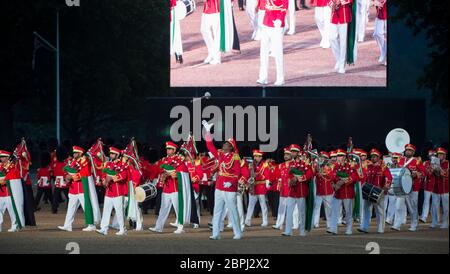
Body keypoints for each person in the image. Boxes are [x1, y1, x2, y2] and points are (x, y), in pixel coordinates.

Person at [203, 120, 242, 240]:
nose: (224, 144)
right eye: (225, 143)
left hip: (230, 187)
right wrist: (208, 131)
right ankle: (216, 233)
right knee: (217, 210)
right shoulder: (220, 155)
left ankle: (238, 233)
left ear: (231, 147)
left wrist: (231, 182)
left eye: (227, 143)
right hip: (219, 186)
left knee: (233, 210)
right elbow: (210, 145)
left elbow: (237, 172)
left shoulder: (235, 157)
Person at [58, 146, 98, 232]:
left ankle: (91, 224)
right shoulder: (73, 161)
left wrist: (71, 176)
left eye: (76, 153)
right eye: (74, 153)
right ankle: (67, 225)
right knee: (70, 207)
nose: (74, 154)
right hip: (74, 188)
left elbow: (84, 173)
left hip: (82, 188)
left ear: (80, 153)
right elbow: (68, 171)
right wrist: (67, 177)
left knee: (86, 207)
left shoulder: (85, 161)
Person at [149, 141, 184, 233]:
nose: (167, 151)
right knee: (163, 208)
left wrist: (168, 173)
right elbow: (160, 170)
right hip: (166, 188)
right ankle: (158, 227)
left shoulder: (179, 159)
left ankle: (180, 227)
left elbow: (178, 172)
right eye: (167, 149)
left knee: (178, 208)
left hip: (175, 187)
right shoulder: (164, 160)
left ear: (174, 150)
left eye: (169, 149)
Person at [358, 149, 392, 234]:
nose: (373, 158)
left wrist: (386, 187)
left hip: (379, 191)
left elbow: (389, 178)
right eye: (372, 156)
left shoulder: (383, 167)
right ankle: (365, 227)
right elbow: (363, 177)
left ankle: (380, 228)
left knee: (380, 211)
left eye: (375, 156)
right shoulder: (367, 166)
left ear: (378, 157)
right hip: (368, 191)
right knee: (366, 210)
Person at [96, 147, 127, 236]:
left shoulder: (122, 164)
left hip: (118, 192)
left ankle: (122, 229)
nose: (111, 155)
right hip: (109, 191)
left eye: (113, 154)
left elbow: (123, 176)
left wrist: (111, 178)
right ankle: (104, 228)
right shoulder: (108, 164)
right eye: (110, 153)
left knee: (119, 212)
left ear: (117, 155)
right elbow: (103, 174)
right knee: (106, 211)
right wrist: (104, 181)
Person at [282, 151, 314, 236]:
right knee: (289, 211)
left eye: (294, 152)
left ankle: (302, 230)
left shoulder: (305, 164)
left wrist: (298, 178)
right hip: (292, 191)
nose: (292, 153)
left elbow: (309, 175)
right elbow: (289, 175)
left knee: (302, 213)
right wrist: (291, 179)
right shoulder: (291, 164)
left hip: (301, 191)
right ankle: (288, 231)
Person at [257, 0, 289, 86]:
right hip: (266, 21)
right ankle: (263, 76)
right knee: (263, 51)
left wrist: (280, 19)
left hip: (277, 23)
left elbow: (285, 6)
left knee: (278, 52)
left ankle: (280, 77)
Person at [328, 149, 359, 235]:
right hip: (338, 193)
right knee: (334, 210)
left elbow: (355, 177)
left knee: (348, 212)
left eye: (341, 156)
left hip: (347, 192)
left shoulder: (350, 166)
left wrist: (342, 182)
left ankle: (349, 229)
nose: (338, 158)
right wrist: (334, 185)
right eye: (338, 156)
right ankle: (333, 228)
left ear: (345, 157)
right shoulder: (335, 167)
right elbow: (332, 177)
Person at [245, 150, 270, 227]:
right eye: (254, 156)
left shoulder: (265, 165)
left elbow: (267, 176)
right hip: (253, 187)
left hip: (261, 186)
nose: (255, 158)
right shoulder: (251, 164)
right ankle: (247, 221)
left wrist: (257, 176)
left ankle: (265, 221)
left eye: (257, 156)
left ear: (260, 157)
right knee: (250, 204)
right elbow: (247, 174)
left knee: (263, 205)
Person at [329, 0, 353, 74]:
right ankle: (339, 59)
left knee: (343, 42)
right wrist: (332, 3)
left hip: (344, 14)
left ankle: (342, 65)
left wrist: (340, 1)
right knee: (332, 38)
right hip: (334, 15)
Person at [0, 150, 21, 232]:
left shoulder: (12, 167)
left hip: (9, 193)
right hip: (0, 193)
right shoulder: (1, 167)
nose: (1, 158)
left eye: (3, 157)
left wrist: (2, 181)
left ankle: (15, 226)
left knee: (12, 211)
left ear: (8, 157)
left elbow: (11, 179)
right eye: (1, 157)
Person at [312, 151, 334, 229]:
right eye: (321, 157)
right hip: (319, 191)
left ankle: (329, 224)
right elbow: (313, 173)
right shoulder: (317, 166)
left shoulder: (330, 167)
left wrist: (325, 174)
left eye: (324, 158)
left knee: (328, 208)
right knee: (316, 207)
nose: (322, 159)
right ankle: (315, 223)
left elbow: (332, 176)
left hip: (328, 191)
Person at [431, 147, 448, 229]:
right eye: (438, 154)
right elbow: (430, 175)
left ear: (445, 155)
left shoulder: (447, 163)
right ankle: (434, 222)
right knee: (434, 206)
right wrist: (433, 169)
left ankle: (445, 222)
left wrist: (439, 169)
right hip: (436, 188)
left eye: (441, 154)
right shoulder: (434, 163)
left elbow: (445, 174)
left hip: (445, 188)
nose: (439, 156)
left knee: (445, 207)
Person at [421, 149, 437, 223]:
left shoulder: (438, 163)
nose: (432, 157)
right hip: (427, 185)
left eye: (433, 155)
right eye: (430, 155)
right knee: (426, 201)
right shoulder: (425, 163)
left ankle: (435, 218)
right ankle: (424, 217)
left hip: (436, 186)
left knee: (434, 203)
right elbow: (425, 173)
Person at [373, 0, 387, 65]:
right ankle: (384, 53)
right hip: (380, 11)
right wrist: (374, 1)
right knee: (377, 34)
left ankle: (385, 55)